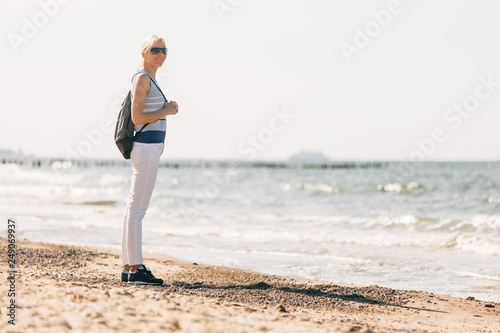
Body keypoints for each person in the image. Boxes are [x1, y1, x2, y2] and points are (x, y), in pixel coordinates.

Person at [121, 35, 178, 285]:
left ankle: (128, 267)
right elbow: (136, 118)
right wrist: (166, 111)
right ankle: (136, 269)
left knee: (133, 209)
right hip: (146, 149)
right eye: (155, 49)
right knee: (137, 211)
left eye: (164, 50)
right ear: (143, 52)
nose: (161, 54)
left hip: (148, 149)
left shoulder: (149, 79)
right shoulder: (143, 78)